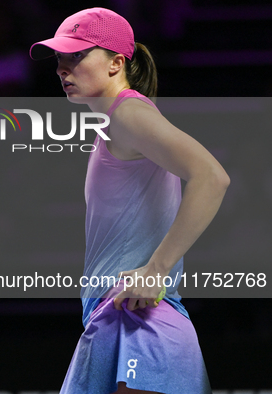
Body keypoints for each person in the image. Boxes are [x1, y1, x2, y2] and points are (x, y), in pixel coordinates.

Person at [29, 8, 229, 394]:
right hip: (119, 317)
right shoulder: (114, 123)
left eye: (77, 56)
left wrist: (156, 269)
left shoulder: (129, 114)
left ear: (116, 63)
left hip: (140, 321)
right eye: (59, 59)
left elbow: (212, 177)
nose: (62, 69)